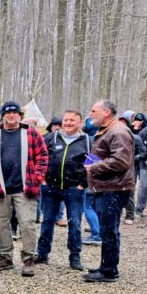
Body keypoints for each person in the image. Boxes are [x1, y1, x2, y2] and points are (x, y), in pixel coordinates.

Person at [0, 100, 48, 277]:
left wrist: (37, 177)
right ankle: (5, 257)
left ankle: (28, 259)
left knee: (27, 223)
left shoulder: (30, 133)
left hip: (25, 188)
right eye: (7, 113)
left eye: (15, 112)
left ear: (19, 115)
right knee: (1, 223)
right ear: (3, 115)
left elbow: (42, 156)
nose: (11, 115)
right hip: (0, 187)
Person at [83, 100, 135, 283]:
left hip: (114, 188)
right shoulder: (107, 130)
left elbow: (121, 161)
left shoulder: (118, 131)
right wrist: (86, 162)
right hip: (106, 187)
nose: (90, 114)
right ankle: (107, 266)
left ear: (106, 112)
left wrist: (94, 167)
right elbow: (104, 155)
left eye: (93, 110)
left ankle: (109, 271)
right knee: (107, 230)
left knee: (109, 230)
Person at [33, 110, 90, 271]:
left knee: (75, 223)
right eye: (66, 120)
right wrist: (42, 180)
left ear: (80, 123)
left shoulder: (87, 141)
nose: (68, 123)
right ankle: (42, 254)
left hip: (74, 189)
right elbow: (38, 157)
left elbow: (94, 164)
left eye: (72, 120)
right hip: (50, 187)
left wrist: (82, 184)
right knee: (47, 222)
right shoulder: (52, 138)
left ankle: (75, 256)